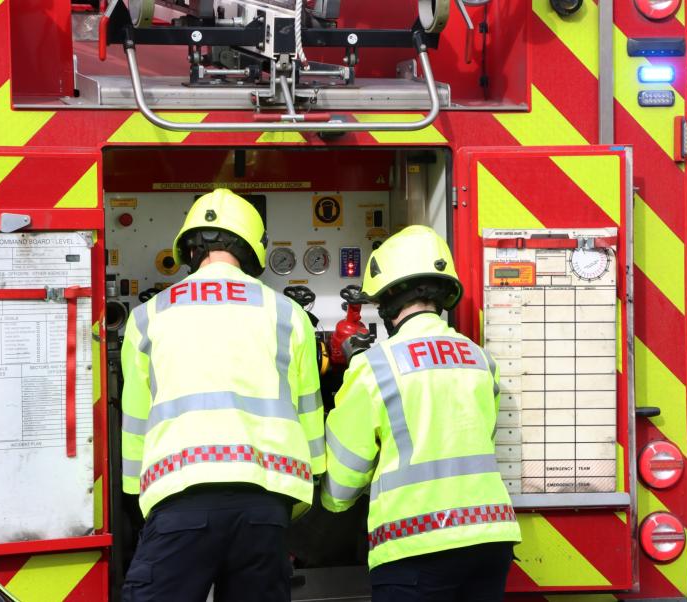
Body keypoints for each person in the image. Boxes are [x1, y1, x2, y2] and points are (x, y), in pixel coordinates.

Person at [120, 189, 325, 602]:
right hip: (266, 506)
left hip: (180, 498)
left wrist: (133, 499)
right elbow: (308, 415)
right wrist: (305, 493)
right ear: (251, 250)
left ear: (191, 249)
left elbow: (136, 421)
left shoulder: (149, 316)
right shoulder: (289, 315)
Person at [321, 225, 521, 602]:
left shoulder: (375, 367)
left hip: (415, 544)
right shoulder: (480, 359)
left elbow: (344, 479)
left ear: (389, 299)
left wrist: (330, 503)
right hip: (489, 541)